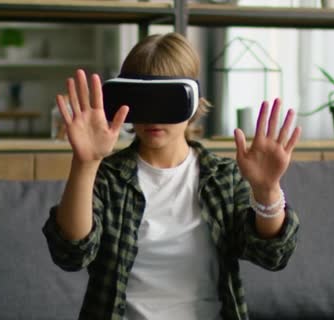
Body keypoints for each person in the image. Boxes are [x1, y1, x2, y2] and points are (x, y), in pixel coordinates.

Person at [43, 32, 301, 320]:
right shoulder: (108, 177)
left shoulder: (223, 178)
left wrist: (267, 191)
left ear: (193, 102)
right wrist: (85, 163)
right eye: (142, 101)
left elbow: (273, 255)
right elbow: (70, 254)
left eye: (167, 100)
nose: (153, 117)